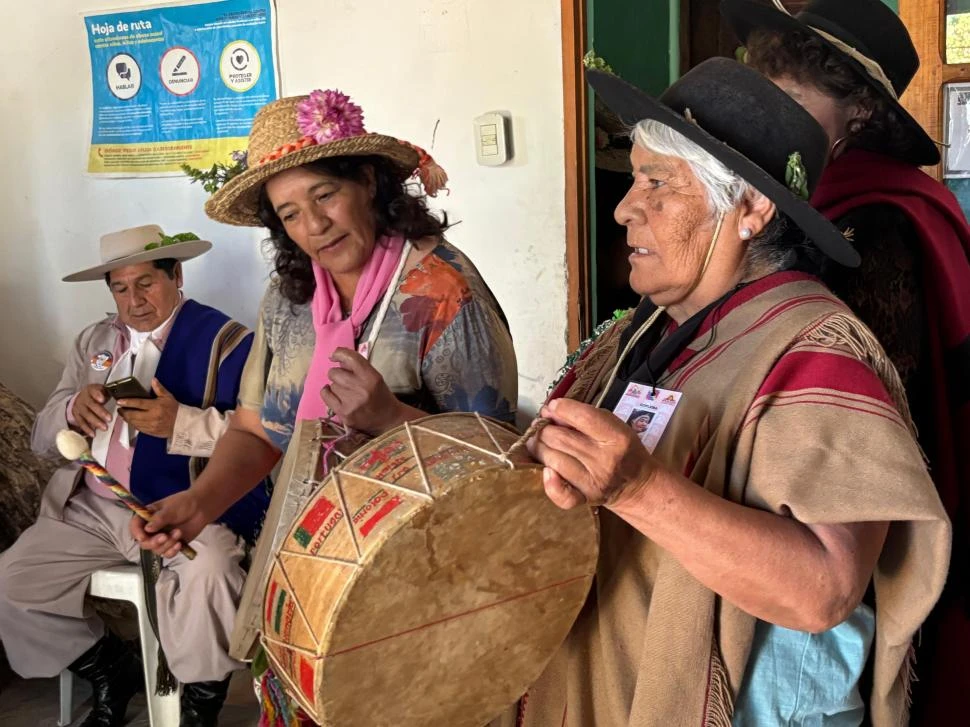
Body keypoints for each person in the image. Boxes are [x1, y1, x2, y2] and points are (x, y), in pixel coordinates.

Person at [504, 59, 950, 727]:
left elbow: (825, 589)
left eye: (657, 183)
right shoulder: (647, 328)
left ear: (750, 206)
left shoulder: (814, 351)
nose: (626, 208)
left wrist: (637, 488)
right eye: (634, 179)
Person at [138, 89, 518, 723]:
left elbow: (503, 468)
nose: (313, 227)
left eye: (324, 195)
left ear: (367, 182)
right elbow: (259, 429)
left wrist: (393, 421)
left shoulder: (443, 294)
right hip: (310, 563)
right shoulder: (290, 297)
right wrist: (199, 504)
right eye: (289, 213)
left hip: (420, 583)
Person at [720, 0, 970, 719]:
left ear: (858, 112)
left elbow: (863, 429)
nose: (774, 128)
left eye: (795, 104)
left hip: (843, 547)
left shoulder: (879, 223)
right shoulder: (799, 200)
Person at [0, 225, 266, 727]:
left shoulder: (228, 342)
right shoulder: (95, 341)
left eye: (146, 282)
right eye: (120, 288)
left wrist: (181, 423)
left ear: (176, 275)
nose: (134, 299)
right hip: (94, 508)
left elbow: (267, 432)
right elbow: (41, 436)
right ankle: (109, 670)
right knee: (13, 582)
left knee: (211, 571)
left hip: (185, 505)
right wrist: (71, 410)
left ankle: (197, 704)